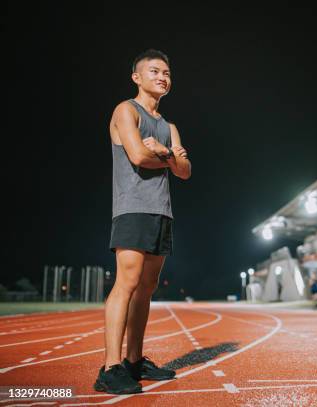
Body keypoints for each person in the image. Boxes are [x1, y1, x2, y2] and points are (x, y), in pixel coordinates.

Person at [94, 49, 192, 394]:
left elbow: (185, 171)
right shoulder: (126, 110)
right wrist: (168, 156)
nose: (162, 77)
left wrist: (162, 152)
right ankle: (110, 367)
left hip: (161, 211)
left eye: (167, 72)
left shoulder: (169, 126)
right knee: (128, 282)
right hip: (132, 207)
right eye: (154, 71)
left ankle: (135, 361)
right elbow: (137, 156)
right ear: (137, 77)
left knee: (147, 288)